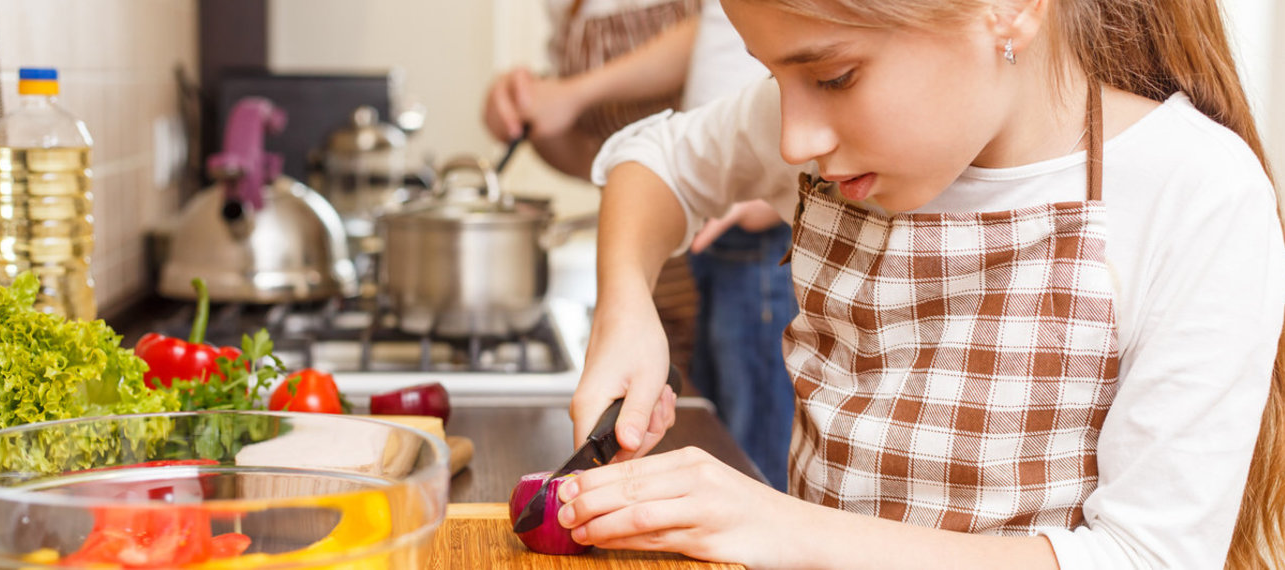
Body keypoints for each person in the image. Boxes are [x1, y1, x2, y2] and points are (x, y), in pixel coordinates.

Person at [561, 0, 1285, 568]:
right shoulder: (826, 142)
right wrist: (624, 307)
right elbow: (656, 157)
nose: (792, 140)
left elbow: (1141, 558)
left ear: (1007, 10)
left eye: (832, 76)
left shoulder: (1196, 194)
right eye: (770, 74)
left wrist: (774, 524)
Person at [483, 0, 799, 488]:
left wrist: (572, 93)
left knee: (749, 453)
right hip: (661, 246)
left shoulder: (776, 130)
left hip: (735, 244)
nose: (801, 143)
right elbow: (617, 156)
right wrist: (531, 122)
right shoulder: (565, 12)